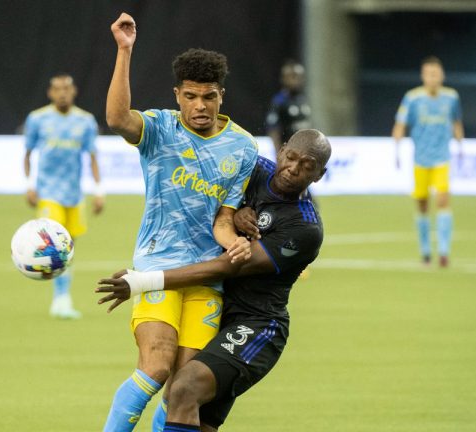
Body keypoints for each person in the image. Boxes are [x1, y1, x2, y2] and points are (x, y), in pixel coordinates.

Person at [96, 129, 331, 431]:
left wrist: (143, 281)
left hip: (255, 324)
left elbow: (228, 267)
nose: (294, 168)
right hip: (214, 304)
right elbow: (201, 201)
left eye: (307, 166)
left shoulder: (304, 227)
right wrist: (231, 215)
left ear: (320, 174)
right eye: (291, 157)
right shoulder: (252, 168)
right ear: (281, 150)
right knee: (187, 409)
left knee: (184, 389)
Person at [102, 12, 259, 431]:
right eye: (190, 96)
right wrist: (124, 51)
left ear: (221, 95)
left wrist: (234, 244)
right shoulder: (160, 129)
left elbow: (223, 219)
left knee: (182, 388)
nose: (200, 106)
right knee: (155, 366)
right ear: (177, 95)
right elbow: (118, 119)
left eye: (208, 96)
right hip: (156, 266)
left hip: (206, 276)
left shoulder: (243, 147)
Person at [23, 73, 105, 319]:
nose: (62, 93)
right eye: (57, 89)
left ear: (74, 92)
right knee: (54, 244)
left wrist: (99, 191)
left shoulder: (86, 121)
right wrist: (29, 184)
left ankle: (63, 298)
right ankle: (60, 299)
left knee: (68, 248)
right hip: (48, 193)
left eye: (66, 89)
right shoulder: (38, 119)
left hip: (74, 195)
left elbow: (92, 157)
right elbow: (27, 153)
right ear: (50, 93)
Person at [392, 56, 464, 268]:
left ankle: (443, 252)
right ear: (423, 76)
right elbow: (400, 124)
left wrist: (461, 147)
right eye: (428, 74)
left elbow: (457, 122)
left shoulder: (451, 97)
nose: (432, 78)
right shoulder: (412, 98)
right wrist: (395, 149)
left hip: (442, 158)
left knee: (443, 200)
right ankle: (425, 251)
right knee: (422, 205)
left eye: (436, 74)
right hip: (420, 159)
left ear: (442, 76)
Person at [265, 60, 312, 159]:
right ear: (284, 79)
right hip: (289, 154)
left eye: (300, 77)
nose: (297, 80)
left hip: (304, 153)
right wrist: (279, 155)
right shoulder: (279, 101)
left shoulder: (302, 100)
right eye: (293, 76)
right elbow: (273, 130)